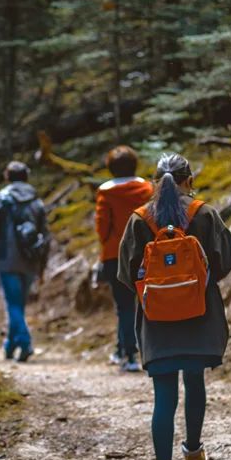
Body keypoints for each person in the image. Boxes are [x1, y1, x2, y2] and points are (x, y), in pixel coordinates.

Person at [117, 153, 231, 460]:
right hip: (200, 315)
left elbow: (126, 274)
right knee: (195, 381)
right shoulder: (203, 213)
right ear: (190, 179)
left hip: (157, 321)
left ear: (155, 183)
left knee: (164, 398)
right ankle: (193, 456)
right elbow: (226, 258)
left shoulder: (140, 219)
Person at [0, 161, 50, 362]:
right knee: (18, 304)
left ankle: (24, 342)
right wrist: (42, 263)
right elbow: (45, 235)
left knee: (13, 303)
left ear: (7, 177)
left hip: (6, 259)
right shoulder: (36, 202)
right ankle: (10, 345)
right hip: (30, 259)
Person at [94, 145, 153, 372]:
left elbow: (102, 228)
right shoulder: (147, 189)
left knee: (124, 306)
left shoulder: (105, 193)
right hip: (145, 253)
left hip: (115, 255)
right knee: (144, 303)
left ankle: (128, 354)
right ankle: (130, 349)